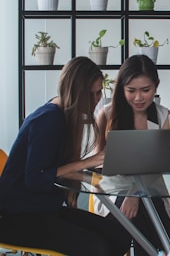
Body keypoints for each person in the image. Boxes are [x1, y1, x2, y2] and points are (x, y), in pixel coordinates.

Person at [0, 57, 131, 256]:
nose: (97, 99)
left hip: (44, 211)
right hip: (16, 218)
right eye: (93, 93)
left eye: (99, 92)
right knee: (97, 248)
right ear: (78, 93)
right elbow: (36, 179)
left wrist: (92, 178)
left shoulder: (63, 116)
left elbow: (58, 169)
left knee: (119, 237)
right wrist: (85, 163)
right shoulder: (48, 119)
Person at [93, 54, 170, 256]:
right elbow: (95, 159)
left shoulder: (165, 116)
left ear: (156, 86)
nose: (138, 98)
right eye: (131, 90)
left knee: (145, 205)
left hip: (151, 189)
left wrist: (136, 192)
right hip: (114, 191)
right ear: (122, 88)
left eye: (145, 90)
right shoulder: (107, 113)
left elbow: (161, 165)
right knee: (136, 209)